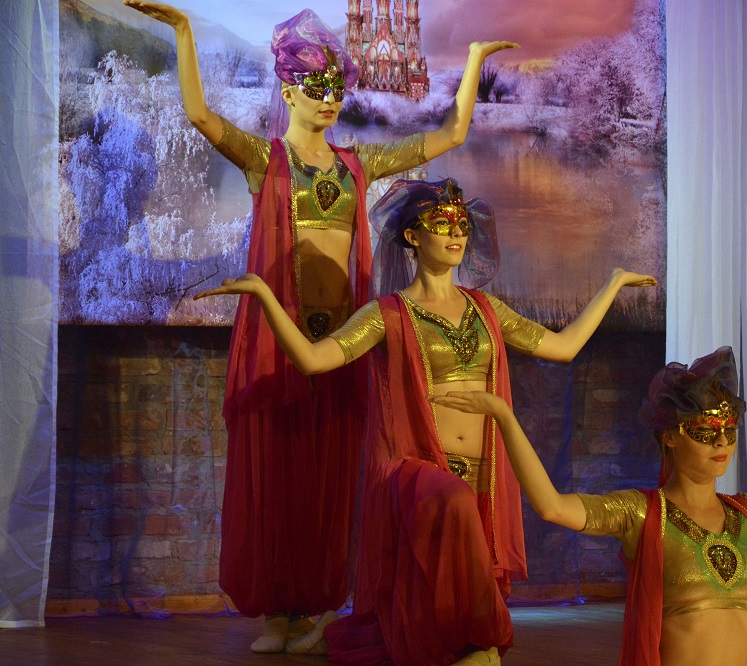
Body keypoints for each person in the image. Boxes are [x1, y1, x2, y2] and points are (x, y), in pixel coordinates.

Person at [124, 1, 517, 653]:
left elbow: (448, 135)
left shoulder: (358, 165)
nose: (330, 98)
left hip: (340, 349)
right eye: (317, 87)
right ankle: (279, 612)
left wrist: (473, 62)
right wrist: (184, 30)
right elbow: (200, 116)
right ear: (288, 91)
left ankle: (313, 608)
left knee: (329, 485)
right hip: (278, 347)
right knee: (277, 479)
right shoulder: (265, 159)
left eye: (337, 88)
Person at [196, 177, 657, 664]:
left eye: (462, 224)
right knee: (451, 522)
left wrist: (612, 284)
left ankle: (366, 632)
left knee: (435, 611)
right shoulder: (387, 314)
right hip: (417, 472)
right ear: (413, 237)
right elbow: (313, 360)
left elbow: (562, 348)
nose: (456, 234)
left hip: (481, 472)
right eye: (442, 224)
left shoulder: (487, 309)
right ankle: (485, 643)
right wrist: (264, 296)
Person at [431, 346, 747, 666]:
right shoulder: (640, 514)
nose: (721, 443)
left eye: (729, 432)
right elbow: (552, 507)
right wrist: (505, 418)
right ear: (672, 437)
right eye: (705, 432)